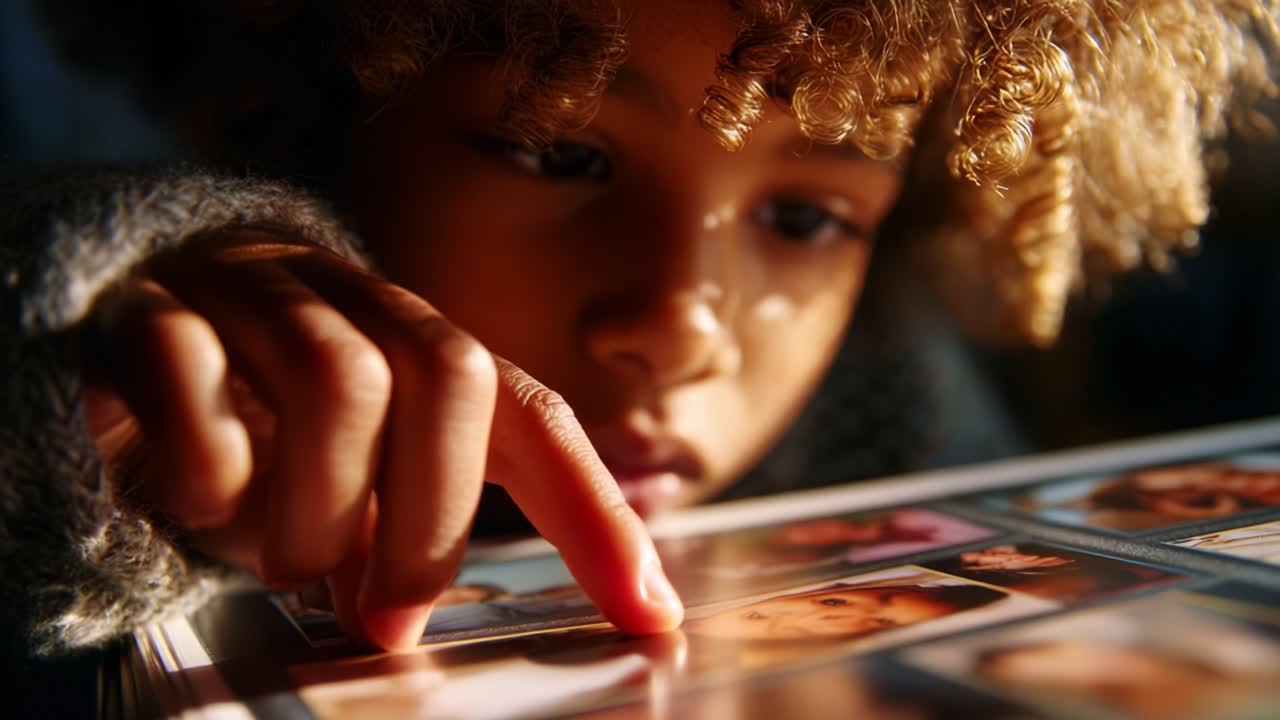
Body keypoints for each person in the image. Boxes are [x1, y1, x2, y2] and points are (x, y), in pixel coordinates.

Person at [2, 0, 1275, 659]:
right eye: (557, 150)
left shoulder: (893, 403)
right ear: (307, 114)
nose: (677, 326)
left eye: (803, 215)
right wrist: (67, 368)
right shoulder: (156, 363)